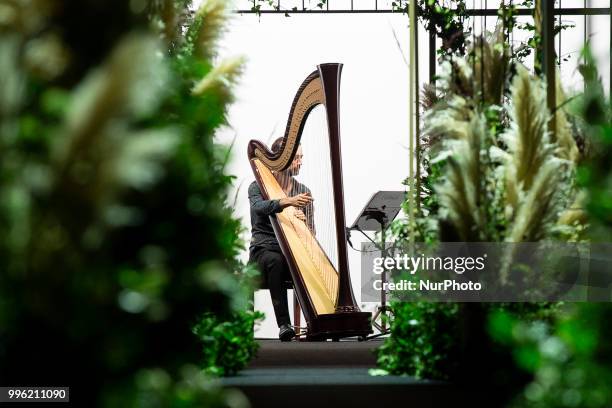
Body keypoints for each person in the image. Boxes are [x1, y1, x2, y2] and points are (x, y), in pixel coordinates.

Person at [248, 137, 314, 341]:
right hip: (263, 251)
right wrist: (287, 202)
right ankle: (284, 324)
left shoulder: (302, 190)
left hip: (291, 252)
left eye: (301, 158)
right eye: (295, 158)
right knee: (275, 260)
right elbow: (259, 207)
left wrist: (304, 223)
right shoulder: (257, 186)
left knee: (303, 263)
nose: (300, 162)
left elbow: (312, 232)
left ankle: (317, 323)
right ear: (281, 160)